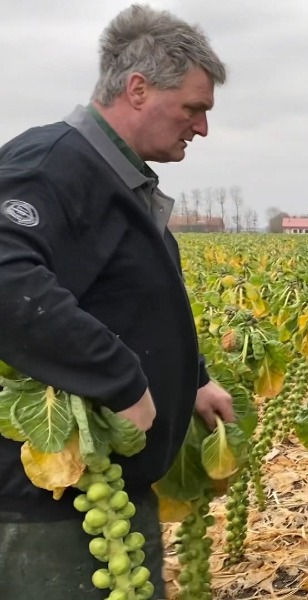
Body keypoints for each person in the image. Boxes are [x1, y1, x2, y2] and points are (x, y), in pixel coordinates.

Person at [0, 4, 234, 598]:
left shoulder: (116, 177)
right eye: (194, 109)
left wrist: (194, 379)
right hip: (51, 505)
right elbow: (7, 279)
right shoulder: (52, 164)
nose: (201, 128)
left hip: (110, 493)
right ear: (137, 89)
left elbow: (121, 295)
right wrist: (120, 380)